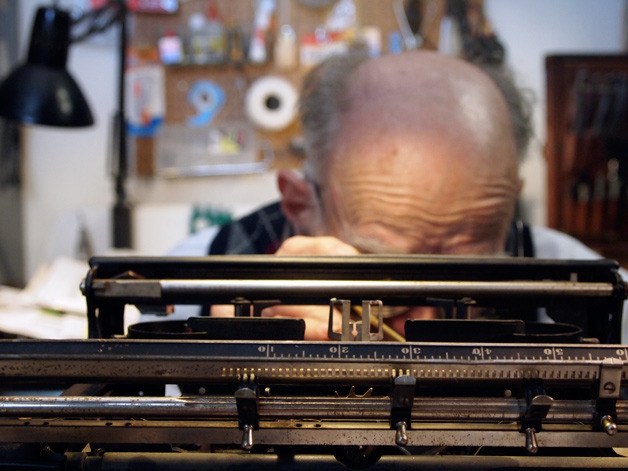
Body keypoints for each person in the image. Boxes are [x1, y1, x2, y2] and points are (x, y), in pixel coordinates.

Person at [169, 50, 628, 341]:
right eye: (390, 273)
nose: (427, 326)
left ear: (510, 202)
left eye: (469, 277)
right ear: (300, 204)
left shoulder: (586, 288)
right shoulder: (191, 281)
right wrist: (225, 352)